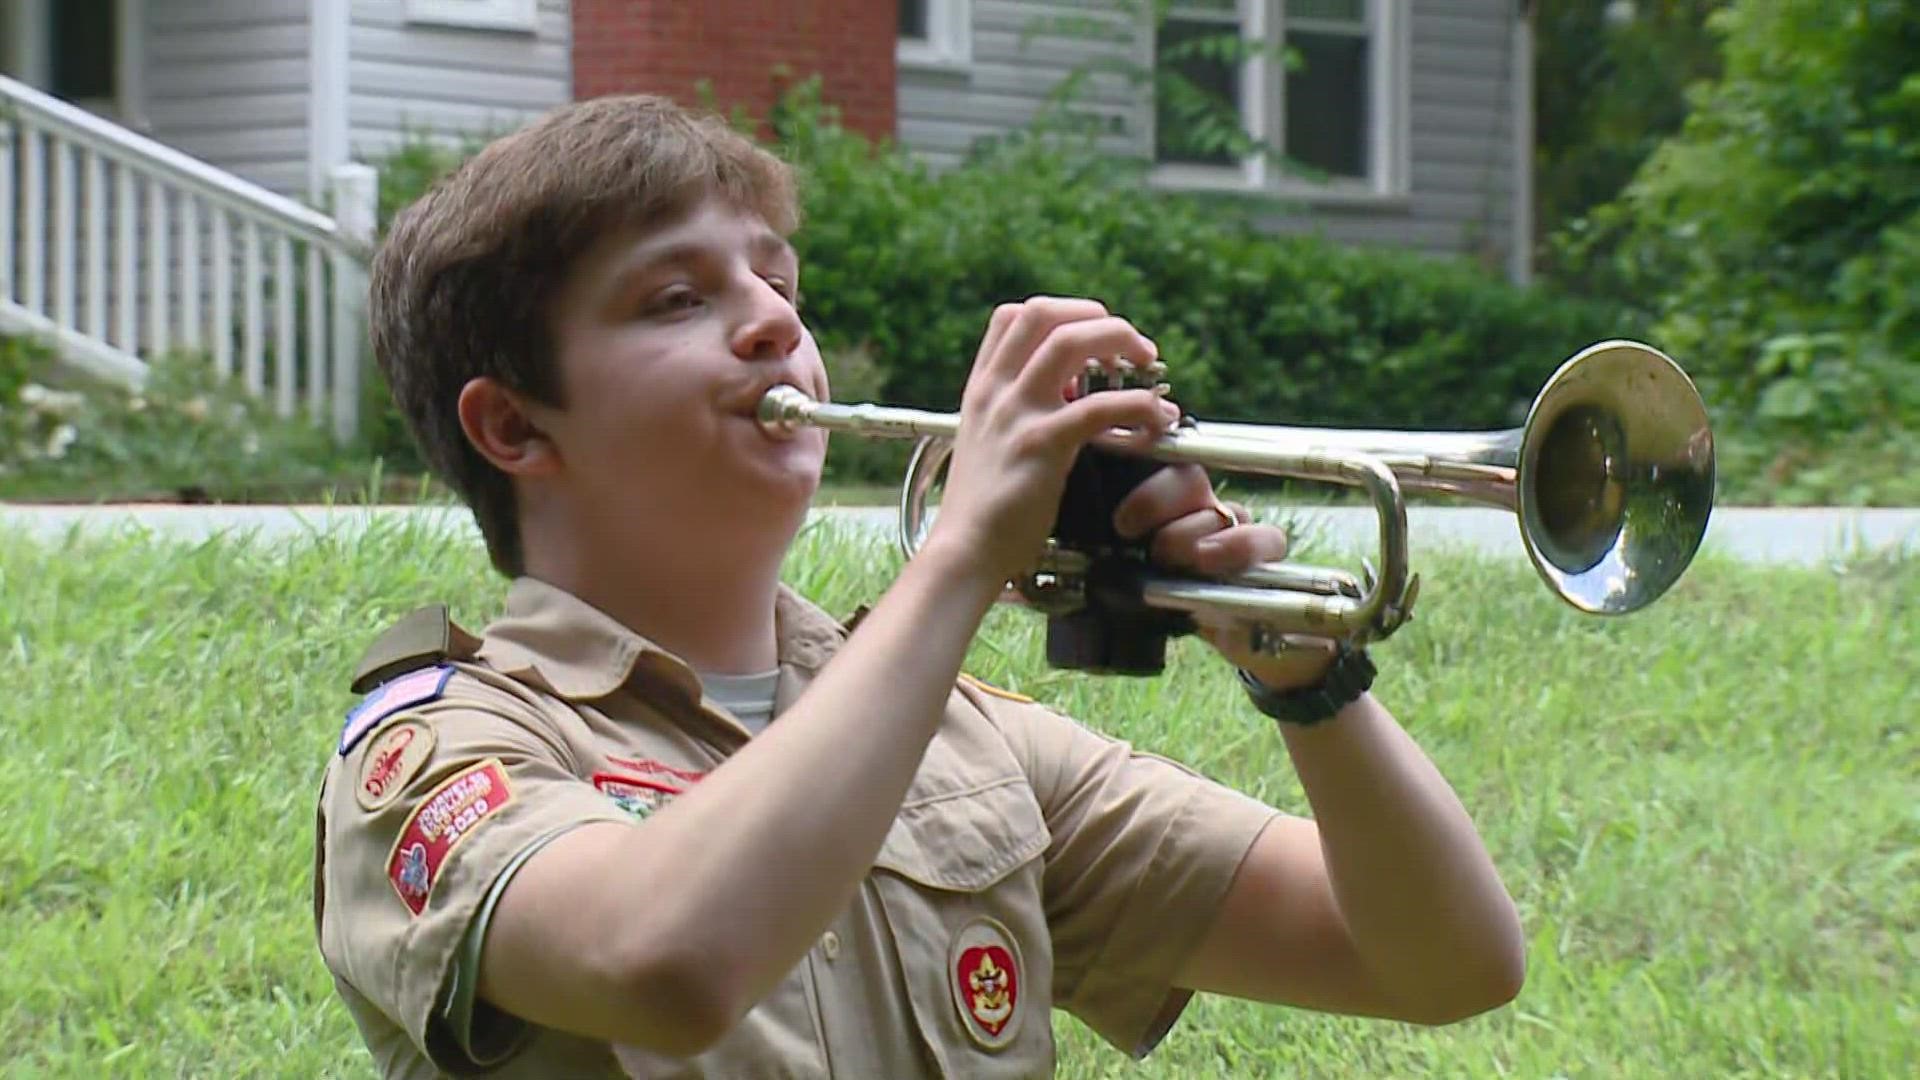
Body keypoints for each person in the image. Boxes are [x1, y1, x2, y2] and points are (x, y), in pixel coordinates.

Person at [312, 94, 1524, 1079]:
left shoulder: (963, 742)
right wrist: (961, 558)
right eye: (678, 299)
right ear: (514, 426)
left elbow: (1444, 964)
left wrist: (1305, 677)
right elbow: (663, 963)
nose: (771, 326)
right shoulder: (442, 750)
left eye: (782, 287)